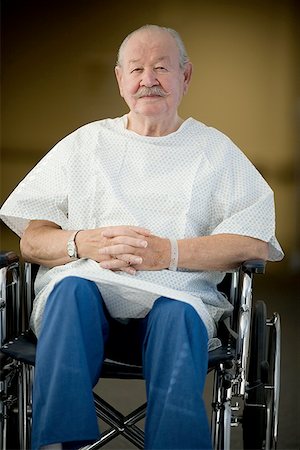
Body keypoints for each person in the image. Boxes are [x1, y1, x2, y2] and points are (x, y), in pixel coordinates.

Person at [0, 24, 283, 450]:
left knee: (176, 314)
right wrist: (80, 242)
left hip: (177, 305)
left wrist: (167, 254)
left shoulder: (215, 151)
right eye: (136, 69)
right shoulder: (87, 143)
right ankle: (64, 444)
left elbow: (254, 241)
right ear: (120, 80)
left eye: (161, 68)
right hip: (83, 305)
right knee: (70, 290)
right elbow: (31, 240)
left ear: (185, 77)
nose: (147, 79)